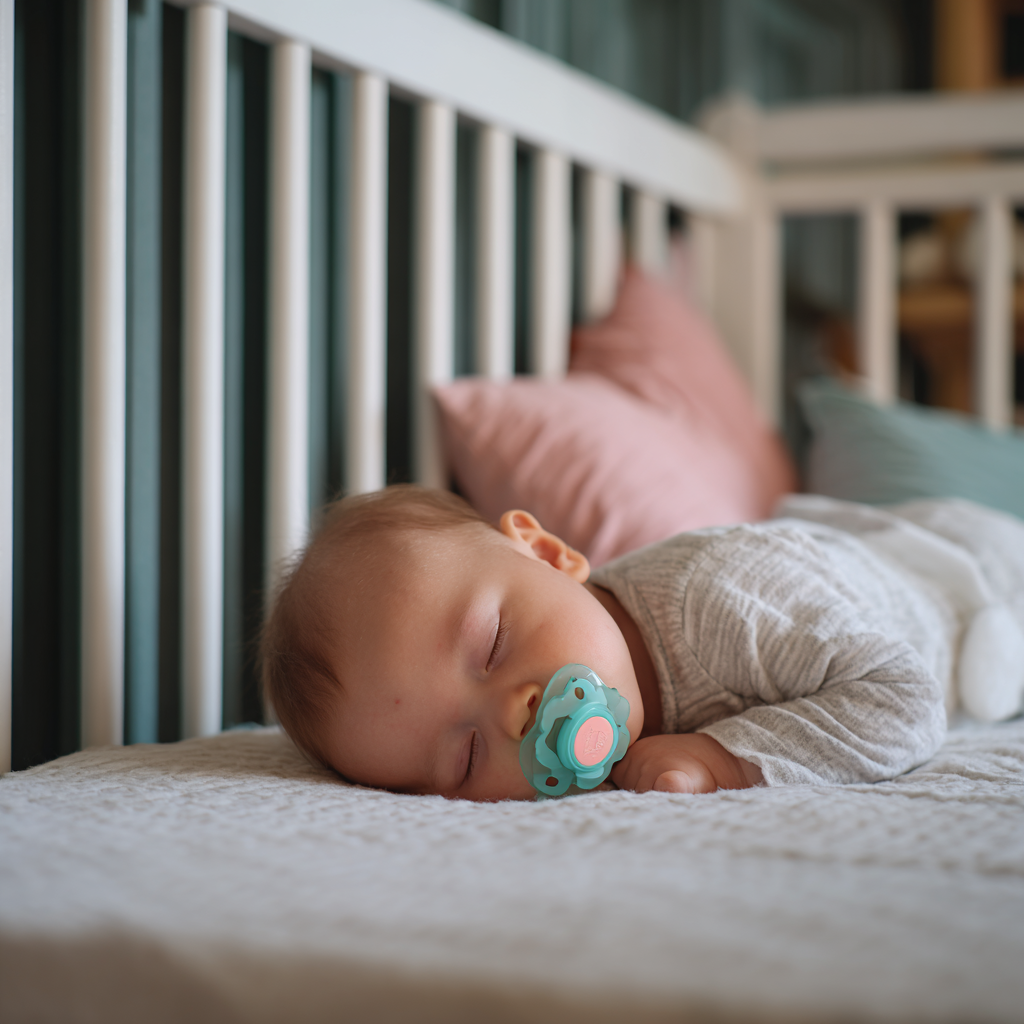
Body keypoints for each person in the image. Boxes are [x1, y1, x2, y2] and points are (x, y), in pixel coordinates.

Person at [260, 485, 1024, 801]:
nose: (514, 716)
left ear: (554, 554)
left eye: (493, 644)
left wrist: (722, 759)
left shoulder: (722, 601)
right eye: (463, 760)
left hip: (972, 578)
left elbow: (903, 696)